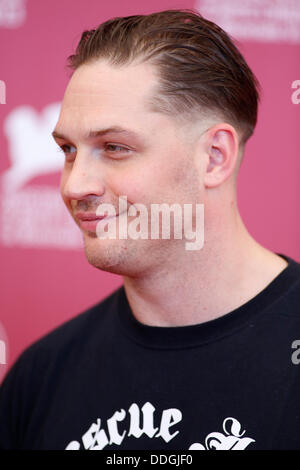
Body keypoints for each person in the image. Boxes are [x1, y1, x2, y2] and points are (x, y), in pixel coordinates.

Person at [0, 9, 299, 451]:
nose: (75, 184)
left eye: (115, 147)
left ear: (214, 157)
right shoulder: (41, 375)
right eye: (68, 149)